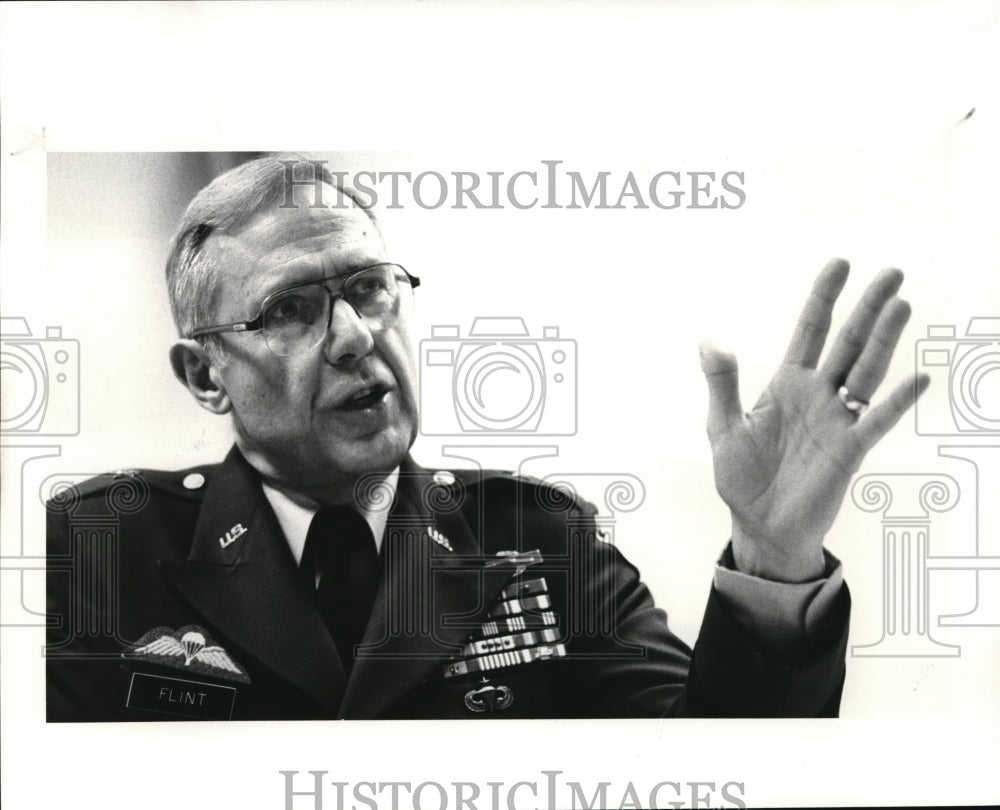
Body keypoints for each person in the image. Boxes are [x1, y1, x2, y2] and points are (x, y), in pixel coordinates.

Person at [46, 156, 927, 721]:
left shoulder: (540, 541)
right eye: (290, 308)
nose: (356, 334)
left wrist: (774, 560)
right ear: (205, 376)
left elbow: (721, 769)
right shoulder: (93, 554)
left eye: (371, 287)